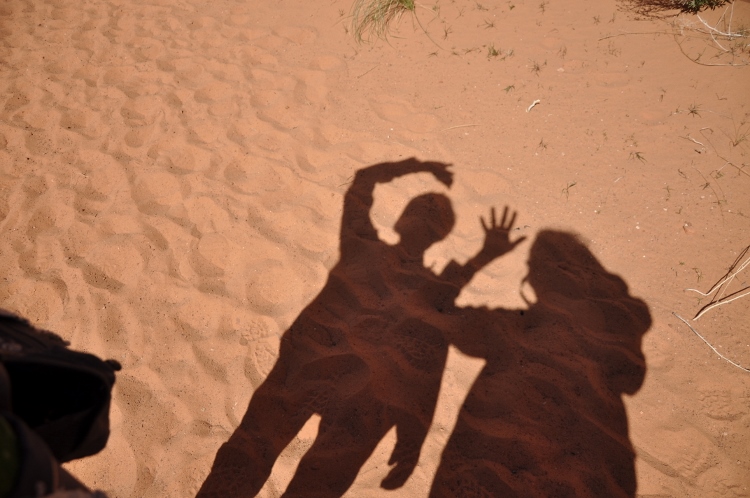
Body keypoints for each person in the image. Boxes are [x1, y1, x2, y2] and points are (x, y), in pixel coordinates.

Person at [197, 158, 525, 497]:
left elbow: (362, 183)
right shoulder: (392, 264)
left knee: (267, 463)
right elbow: (446, 302)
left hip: (322, 381)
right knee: (266, 464)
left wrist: (418, 168)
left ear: (401, 219)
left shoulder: (365, 246)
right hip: (337, 388)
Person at [431, 230, 651, 497]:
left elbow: (434, 308)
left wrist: (484, 255)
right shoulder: (617, 333)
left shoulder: (510, 326)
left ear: (534, 279)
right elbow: (633, 382)